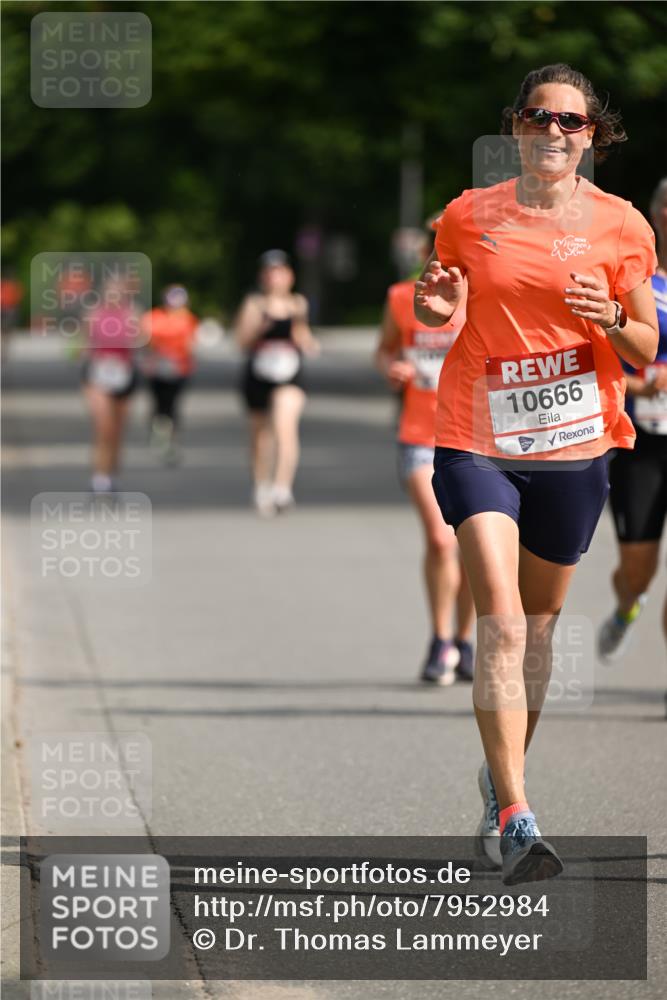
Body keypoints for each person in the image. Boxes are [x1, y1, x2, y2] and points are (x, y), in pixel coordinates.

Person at [415, 64, 658, 884]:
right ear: (514, 127)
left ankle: (499, 778)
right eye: (537, 117)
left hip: (573, 447)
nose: (552, 131)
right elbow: (437, 306)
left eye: (570, 121)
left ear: (592, 136)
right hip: (476, 437)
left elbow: (644, 348)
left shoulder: (621, 225)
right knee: (503, 622)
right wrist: (434, 304)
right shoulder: (466, 215)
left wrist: (610, 316)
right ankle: (518, 815)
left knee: (540, 630)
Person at [376, 225, 475, 685]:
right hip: (419, 434)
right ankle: (440, 639)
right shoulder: (401, 297)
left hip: (473, 435)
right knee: (440, 539)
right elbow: (384, 351)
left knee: (473, 545)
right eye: (436, 241)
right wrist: (392, 367)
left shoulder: (482, 297)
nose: (443, 249)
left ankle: (465, 639)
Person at [598, 178, 667, 669]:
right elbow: (597, 355)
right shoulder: (632, 276)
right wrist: (639, 386)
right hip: (641, 441)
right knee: (637, 573)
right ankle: (627, 607)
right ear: (656, 212)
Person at [235, 250, 319, 516]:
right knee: (261, 436)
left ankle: (282, 487)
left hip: (289, 373)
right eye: (270, 273)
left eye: (280, 272)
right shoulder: (254, 304)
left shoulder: (298, 304)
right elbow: (241, 342)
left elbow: (303, 334)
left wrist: (307, 341)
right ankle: (261, 484)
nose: (275, 278)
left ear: (289, 276)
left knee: (285, 428)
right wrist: (260, 328)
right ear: (263, 277)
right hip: (259, 373)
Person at [81, 278, 141, 494]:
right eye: (110, 292)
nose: (114, 297)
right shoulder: (94, 314)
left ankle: (113, 473)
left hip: (124, 373)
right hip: (99, 374)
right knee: (103, 427)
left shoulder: (132, 313)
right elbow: (83, 344)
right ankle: (99, 475)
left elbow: (142, 341)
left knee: (117, 430)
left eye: (119, 293)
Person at [141, 285, 198, 464]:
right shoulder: (154, 317)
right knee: (159, 403)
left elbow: (191, 345)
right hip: (157, 367)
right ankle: (159, 433)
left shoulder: (188, 319)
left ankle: (171, 439)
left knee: (173, 404)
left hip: (179, 368)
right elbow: (145, 340)